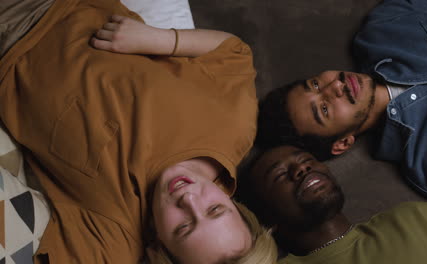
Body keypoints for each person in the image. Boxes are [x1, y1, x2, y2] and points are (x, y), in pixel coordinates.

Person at [0, 0, 277, 263]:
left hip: (8, 48)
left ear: (161, 246)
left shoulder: (115, 235)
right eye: (215, 209)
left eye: (183, 227)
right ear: (238, 208)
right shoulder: (234, 127)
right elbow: (234, 53)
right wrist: (161, 39)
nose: (189, 198)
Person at [256, 0, 427, 209]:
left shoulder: (383, 27)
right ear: (343, 143)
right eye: (324, 109)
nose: (336, 85)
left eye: (315, 84)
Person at [240, 145, 427, 263]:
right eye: (279, 176)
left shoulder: (416, 218)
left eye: (307, 160)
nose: (301, 169)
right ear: (265, 216)